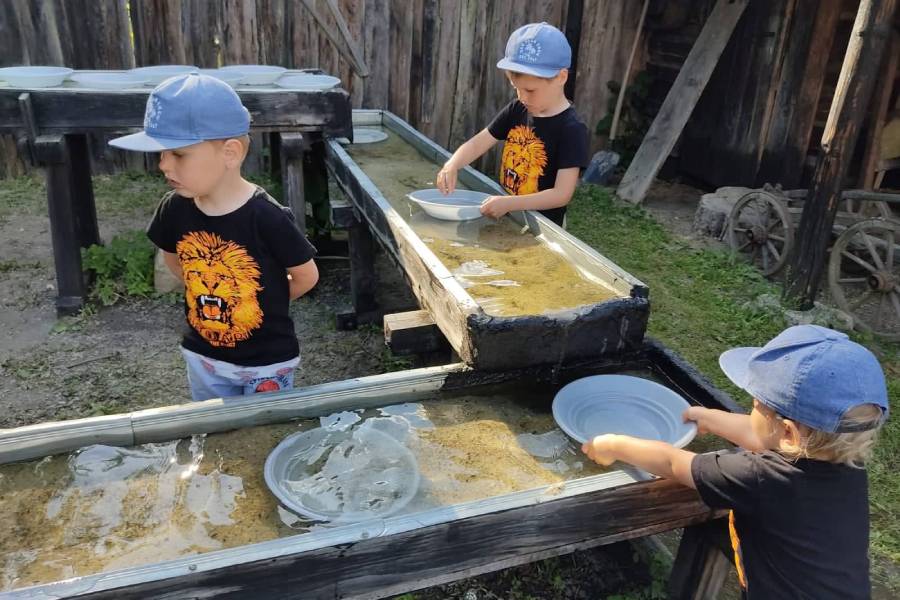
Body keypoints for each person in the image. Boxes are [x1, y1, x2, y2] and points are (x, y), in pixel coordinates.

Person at [582, 325, 889, 599]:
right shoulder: (847, 465)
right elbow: (762, 435)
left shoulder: (761, 478)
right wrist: (709, 418)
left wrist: (613, 444)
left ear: (789, 433)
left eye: (756, 405)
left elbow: (673, 463)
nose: (751, 409)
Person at [109, 73, 319, 401]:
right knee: (213, 434)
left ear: (230, 153)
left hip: (266, 363)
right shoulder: (173, 209)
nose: (164, 165)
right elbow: (174, 260)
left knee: (263, 433)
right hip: (203, 356)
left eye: (177, 154)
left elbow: (307, 276)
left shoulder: (268, 218)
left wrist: (259, 300)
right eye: (161, 153)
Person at [436, 22, 589, 227]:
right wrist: (452, 164)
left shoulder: (572, 129)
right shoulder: (517, 109)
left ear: (561, 77)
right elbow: (478, 143)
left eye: (530, 90)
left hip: (544, 229)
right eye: (517, 88)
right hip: (508, 216)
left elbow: (561, 194)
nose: (522, 97)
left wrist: (511, 203)